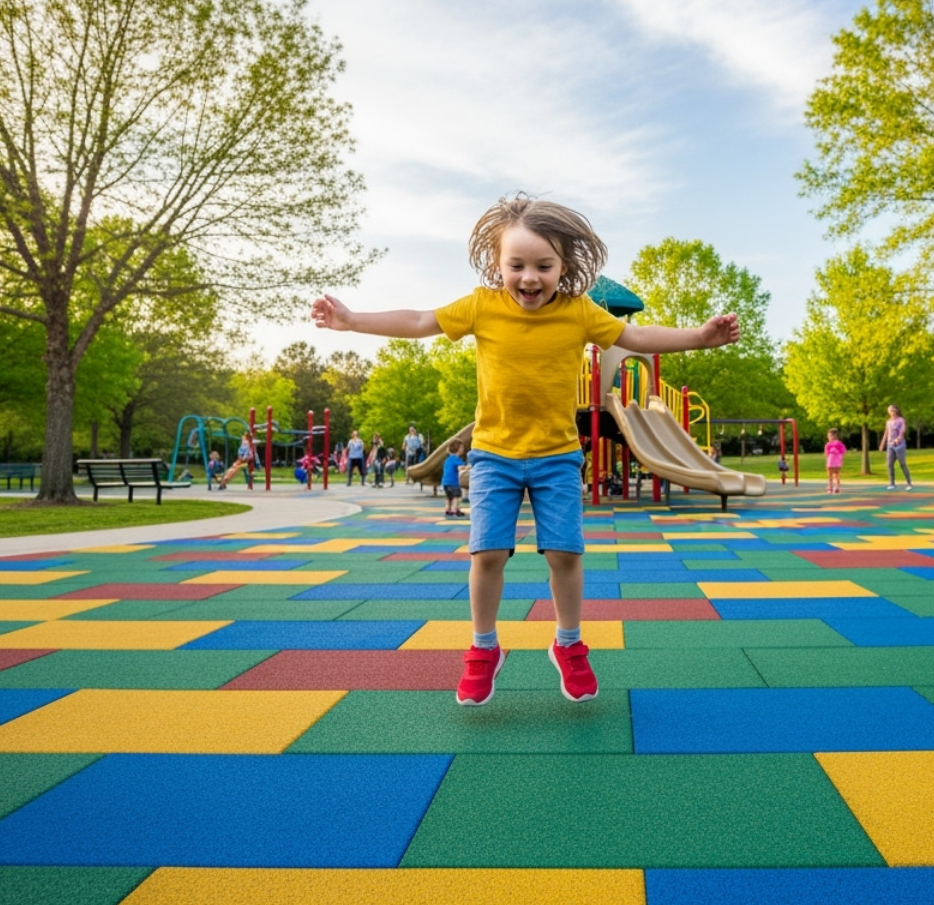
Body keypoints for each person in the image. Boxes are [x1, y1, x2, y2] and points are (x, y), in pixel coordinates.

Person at [312, 194, 739, 707]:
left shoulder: (578, 312)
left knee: (565, 554)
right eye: (516, 265)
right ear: (498, 264)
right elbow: (421, 320)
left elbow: (635, 334)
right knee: (487, 553)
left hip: (558, 456)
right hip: (494, 455)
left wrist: (699, 337)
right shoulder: (481, 306)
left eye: (543, 265)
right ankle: (483, 648)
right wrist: (352, 320)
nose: (530, 277)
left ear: (564, 266)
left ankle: (568, 644)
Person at [880, 404, 912, 491]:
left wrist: (898, 439)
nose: (890, 412)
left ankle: (909, 483)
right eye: (889, 411)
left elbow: (902, 430)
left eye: (891, 410)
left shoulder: (901, 420)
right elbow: (886, 433)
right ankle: (892, 483)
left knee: (902, 464)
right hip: (890, 445)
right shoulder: (888, 422)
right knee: (889, 464)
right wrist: (882, 443)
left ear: (895, 410)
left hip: (899, 445)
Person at [441, 439, 465, 516]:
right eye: (461, 447)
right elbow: (461, 467)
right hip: (453, 482)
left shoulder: (448, 459)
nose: (463, 449)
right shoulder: (456, 459)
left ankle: (447, 509)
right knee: (456, 496)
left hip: (445, 482)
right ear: (457, 449)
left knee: (449, 497)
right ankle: (455, 510)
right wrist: (469, 467)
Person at [824, 429, 846, 494]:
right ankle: (833, 487)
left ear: (835, 436)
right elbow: (826, 454)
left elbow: (843, 451)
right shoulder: (828, 444)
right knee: (832, 475)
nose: (829, 437)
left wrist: (838, 455)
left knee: (835, 475)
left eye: (830, 436)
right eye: (828, 436)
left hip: (835, 461)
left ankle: (836, 487)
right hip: (832, 461)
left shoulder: (837, 444)